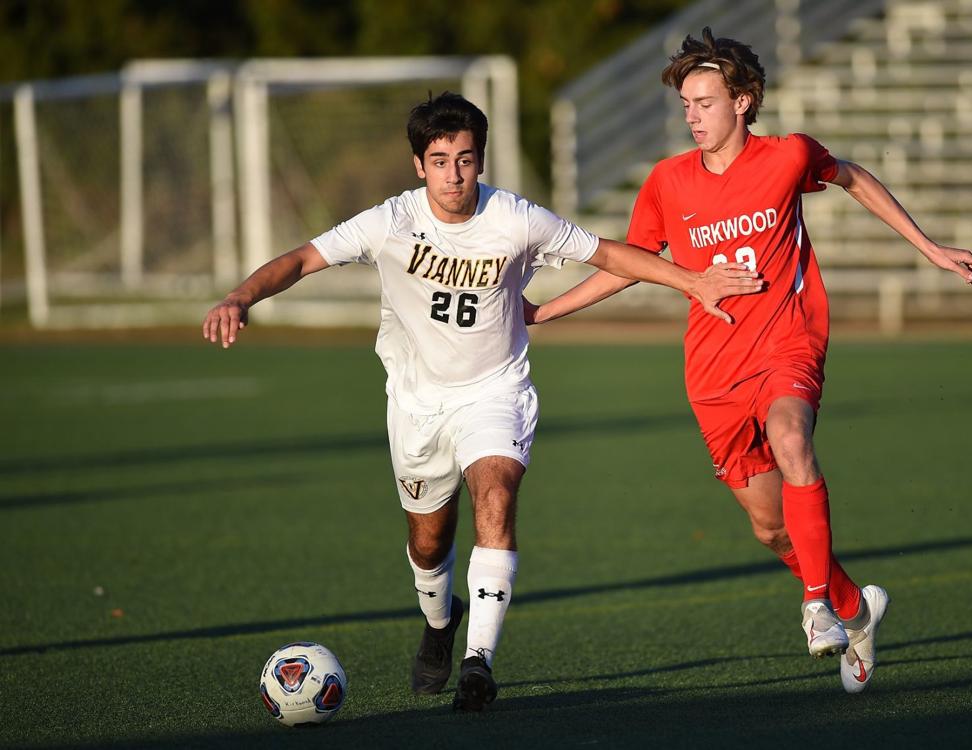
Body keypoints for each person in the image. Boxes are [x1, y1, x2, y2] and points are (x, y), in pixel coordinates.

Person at [202, 92, 760, 711]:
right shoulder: (390, 221)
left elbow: (606, 252)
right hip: (416, 401)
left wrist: (692, 279)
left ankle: (478, 662)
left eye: (465, 159)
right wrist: (239, 297)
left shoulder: (514, 217)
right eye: (439, 160)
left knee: (495, 493)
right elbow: (303, 258)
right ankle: (441, 622)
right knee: (428, 544)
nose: (453, 174)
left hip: (496, 389)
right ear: (419, 165)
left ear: (482, 160)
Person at [526, 29, 972, 694]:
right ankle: (854, 607)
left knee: (792, 438)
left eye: (705, 101)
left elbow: (851, 176)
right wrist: (544, 312)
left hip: (786, 343)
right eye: (685, 103)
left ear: (743, 101)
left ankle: (816, 605)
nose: (692, 115)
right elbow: (629, 264)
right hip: (712, 372)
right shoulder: (666, 182)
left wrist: (931, 247)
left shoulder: (789, 157)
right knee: (771, 528)